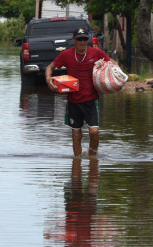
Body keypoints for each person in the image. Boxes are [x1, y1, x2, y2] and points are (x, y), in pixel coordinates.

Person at [46, 27, 113, 158]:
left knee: (94, 132)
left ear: (87, 39)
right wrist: (48, 78)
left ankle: (93, 157)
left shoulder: (96, 53)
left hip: (91, 100)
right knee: (76, 134)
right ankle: (77, 163)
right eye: (79, 39)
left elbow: (111, 63)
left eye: (84, 39)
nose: (82, 42)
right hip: (73, 101)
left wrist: (116, 76)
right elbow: (50, 67)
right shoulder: (66, 54)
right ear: (73, 40)